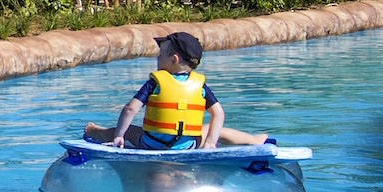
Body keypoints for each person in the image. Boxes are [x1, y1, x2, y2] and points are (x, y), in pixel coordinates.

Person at [112, 31, 267, 150]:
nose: (157, 58)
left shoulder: (155, 83)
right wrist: (210, 142)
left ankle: (95, 132)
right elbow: (218, 113)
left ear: (174, 60)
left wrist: (120, 135)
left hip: (152, 145)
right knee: (218, 131)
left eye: (160, 54)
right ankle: (254, 141)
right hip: (187, 146)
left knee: (129, 131)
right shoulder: (200, 86)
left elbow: (130, 109)